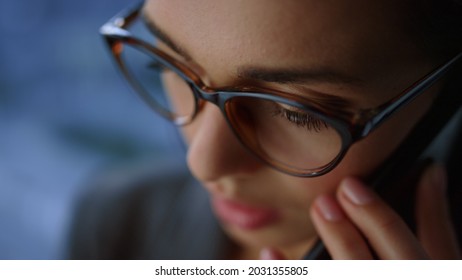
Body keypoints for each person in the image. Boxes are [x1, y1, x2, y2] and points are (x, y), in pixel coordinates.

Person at [69, 0, 462, 259]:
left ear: (445, 102)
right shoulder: (118, 221)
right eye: (169, 66)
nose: (203, 164)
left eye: (297, 112)